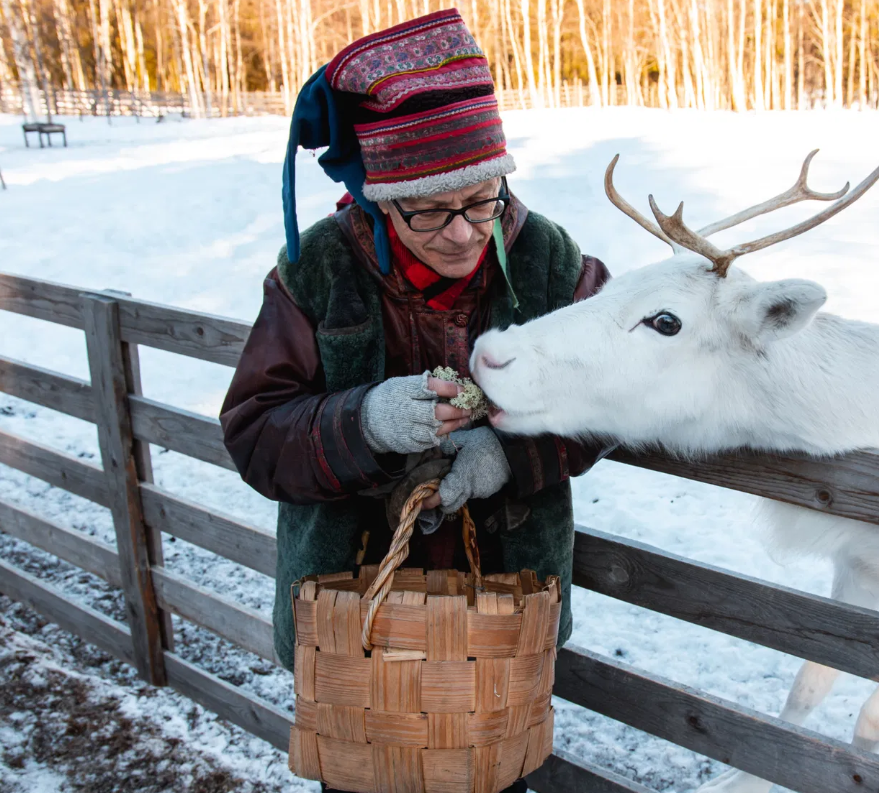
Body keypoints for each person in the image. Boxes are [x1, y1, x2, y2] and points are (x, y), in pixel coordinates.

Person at [218, 10, 611, 792]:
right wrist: (363, 421)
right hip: (351, 620)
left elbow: (608, 397)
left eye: (484, 199)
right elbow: (256, 432)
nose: (465, 233)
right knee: (364, 774)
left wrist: (509, 454)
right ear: (379, 197)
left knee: (494, 778)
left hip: (501, 615)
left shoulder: (552, 264)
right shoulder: (319, 272)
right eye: (431, 210)